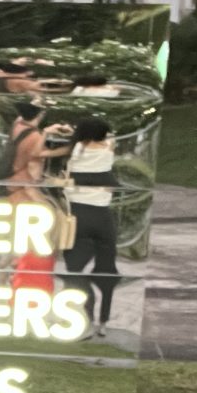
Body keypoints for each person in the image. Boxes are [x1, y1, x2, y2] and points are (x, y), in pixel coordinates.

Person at [61, 117, 121, 340]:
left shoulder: (77, 150)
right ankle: (103, 322)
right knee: (107, 271)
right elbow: (110, 137)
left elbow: (81, 139)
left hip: (79, 216)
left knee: (75, 269)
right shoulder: (108, 149)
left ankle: (85, 316)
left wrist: (70, 130)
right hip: (103, 217)